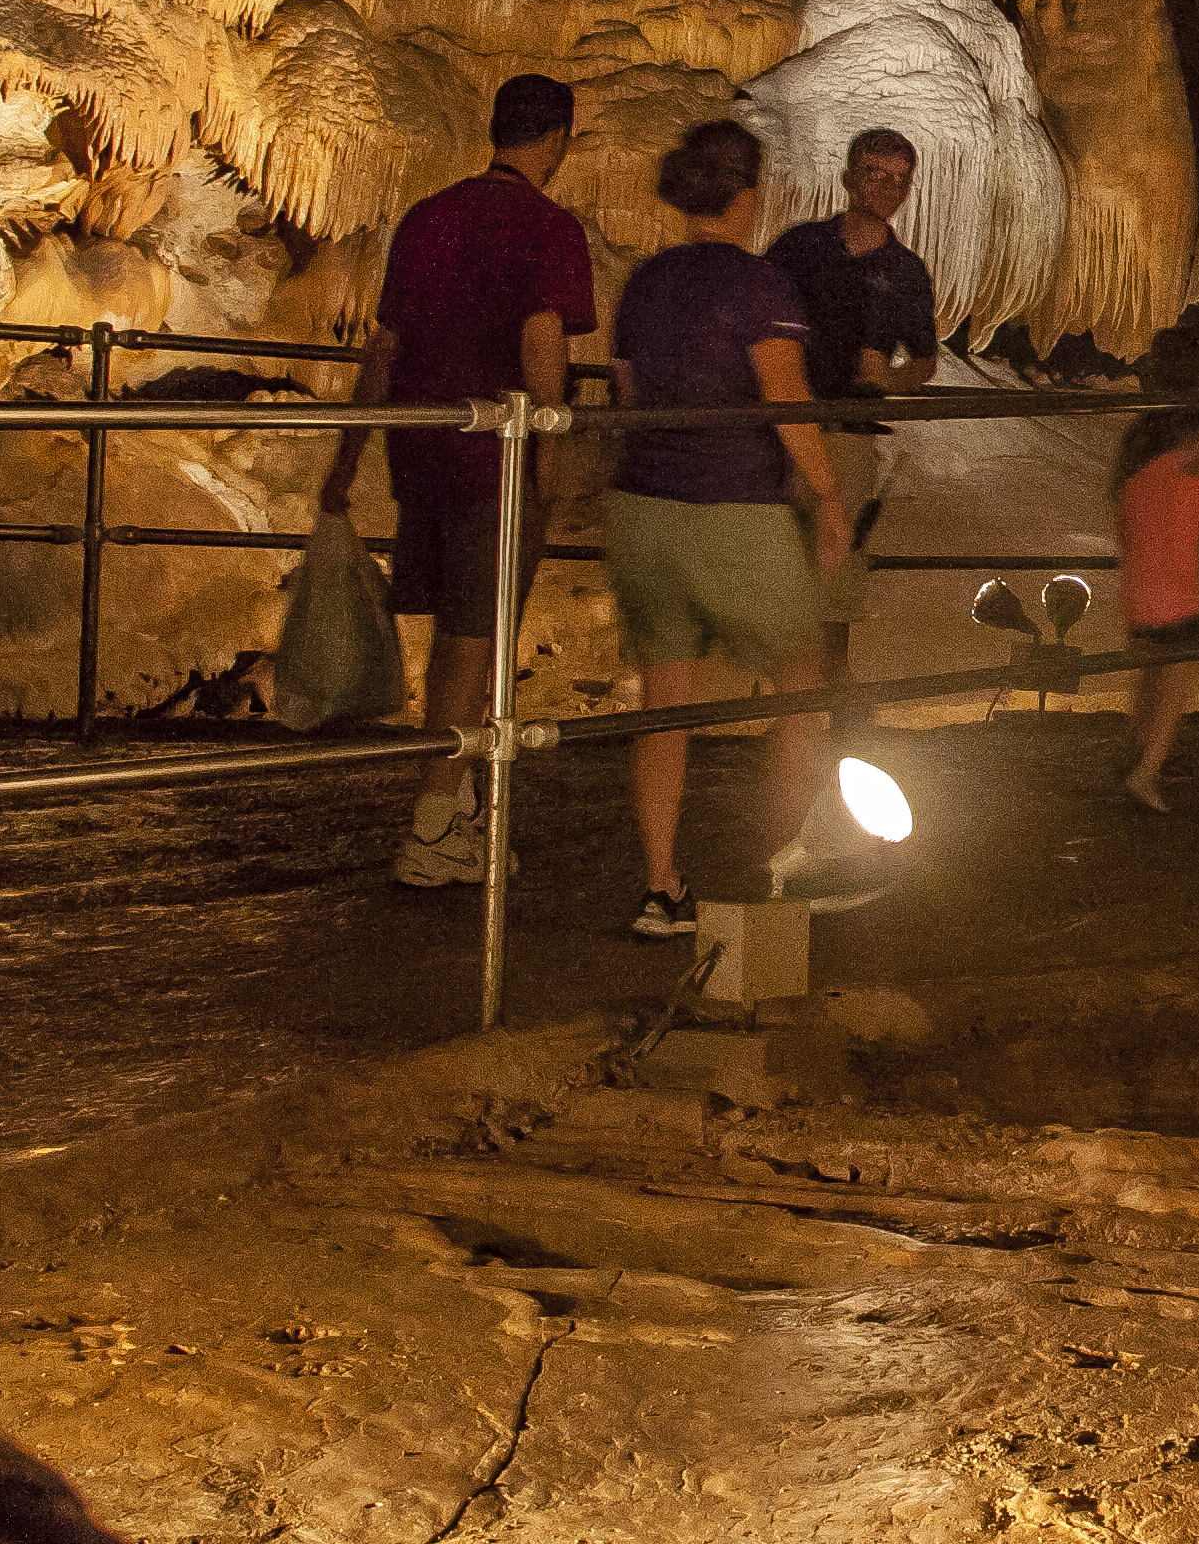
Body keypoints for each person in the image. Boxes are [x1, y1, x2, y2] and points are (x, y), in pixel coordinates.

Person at [321, 74, 589, 888]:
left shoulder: (427, 218)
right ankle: (433, 820)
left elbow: (386, 346)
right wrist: (550, 455)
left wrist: (348, 456)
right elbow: (544, 343)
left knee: (455, 636)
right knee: (479, 637)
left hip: (423, 451)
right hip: (494, 464)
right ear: (557, 140)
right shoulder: (547, 227)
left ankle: (464, 810)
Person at [604, 118, 848, 940]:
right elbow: (786, 403)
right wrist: (829, 497)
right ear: (748, 193)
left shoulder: (645, 284)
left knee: (665, 701)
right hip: (733, 507)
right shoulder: (759, 286)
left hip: (643, 508)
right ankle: (791, 859)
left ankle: (660, 886)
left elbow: (628, 397)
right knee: (802, 683)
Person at [764, 125, 938, 696]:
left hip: (849, 438)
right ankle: (779, 696)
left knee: (836, 571)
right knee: (777, 559)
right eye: (874, 174)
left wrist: (890, 377)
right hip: (783, 427)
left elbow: (925, 361)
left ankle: (825, 692)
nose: (886, 188)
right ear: (848, 177)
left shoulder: (908, 274)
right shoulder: (800, 248)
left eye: (897, 180)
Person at [1111, 400, 1199, 813]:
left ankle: (1132, 750)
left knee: (1146, 681)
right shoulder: (1197, 488)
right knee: (1171, 694)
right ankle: (1146, 771)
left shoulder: (1135, 483)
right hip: (1181, 601)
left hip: (1138, 600)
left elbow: (1124, 535)